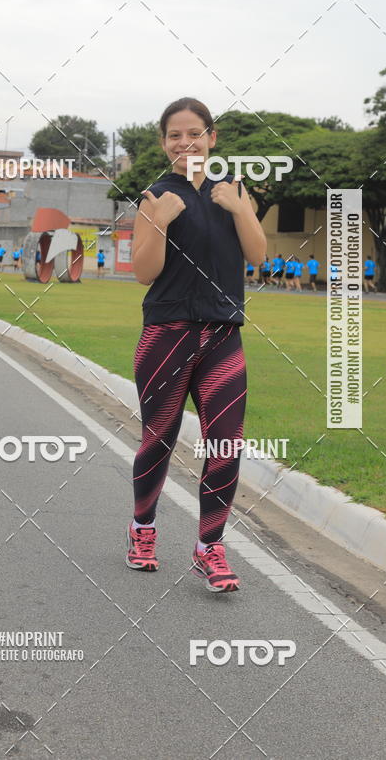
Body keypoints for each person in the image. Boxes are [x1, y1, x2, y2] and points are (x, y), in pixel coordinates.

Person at [128, 97, 266, 592]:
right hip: (167, 335)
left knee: (227, 442)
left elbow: (257, 254)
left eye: (194, 133)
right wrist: (161, 219)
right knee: (158, 439)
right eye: (174, 135)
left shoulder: (233, 189)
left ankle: (210, 546)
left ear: (212, 137)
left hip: (224, 335)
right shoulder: (153, 195)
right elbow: (144, 271)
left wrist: (238, 207)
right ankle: (143, 531)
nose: (185, 143)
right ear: (164, 143)